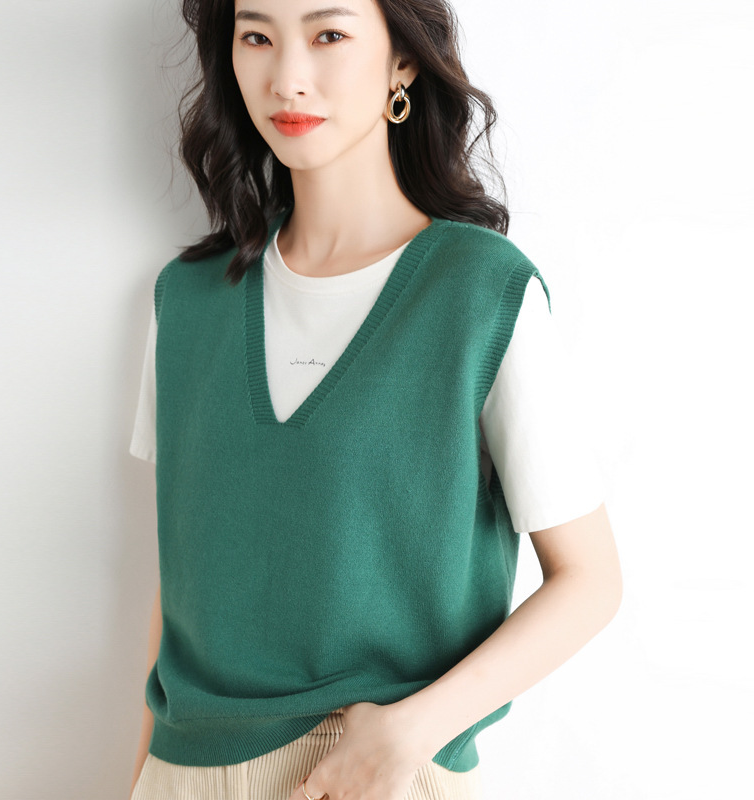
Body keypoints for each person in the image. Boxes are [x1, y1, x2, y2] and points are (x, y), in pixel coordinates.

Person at [126, 1, 623, 798]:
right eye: (257, 36)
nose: (287, 76)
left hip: (374, 772)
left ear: (404, 62)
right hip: (181, 773)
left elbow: (590, 580)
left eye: (328, 34)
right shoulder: (186, 301)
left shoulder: (481, 293)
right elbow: (182, 579)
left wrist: (412, 732)